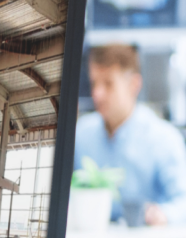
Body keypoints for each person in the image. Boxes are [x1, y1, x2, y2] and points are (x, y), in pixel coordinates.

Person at [75, 42, 186, 226]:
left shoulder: (164, 138)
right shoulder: (81, 135)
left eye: (108, 84)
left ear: (134, 84)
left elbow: (183, 203)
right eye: (94, 83)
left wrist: (164, 215)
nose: (97, 94)